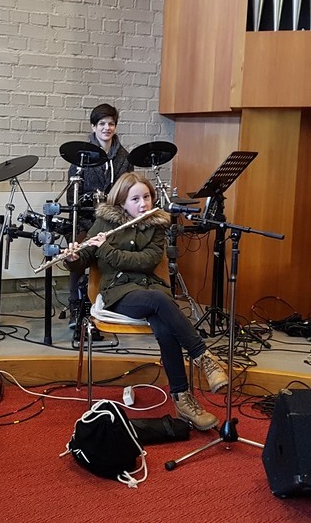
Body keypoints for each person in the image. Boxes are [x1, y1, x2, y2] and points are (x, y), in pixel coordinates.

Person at [65, 172, 229, 431]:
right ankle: (203, 356)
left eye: (147, 197)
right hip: (119, 293)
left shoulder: (156, 225)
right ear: (121, 202)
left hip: (152, 292)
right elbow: (84, 258)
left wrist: (106, 249)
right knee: (160, 301)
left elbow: (146, 261)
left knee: (165, 326)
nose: (143, 204)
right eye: (135, 199)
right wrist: (73, 257)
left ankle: (183, 400)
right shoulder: (104, 222)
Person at [66, 103, 133, 328]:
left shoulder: (124, 157)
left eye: (111, 124)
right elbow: (72, 197)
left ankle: (112, 302)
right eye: (102, 123)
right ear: (93, 127)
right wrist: (87, 224)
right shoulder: (81, 155)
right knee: (76, 252)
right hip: (85, 220)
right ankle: (76, 306)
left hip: (114, 221)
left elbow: (127, 191)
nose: (107, 128)